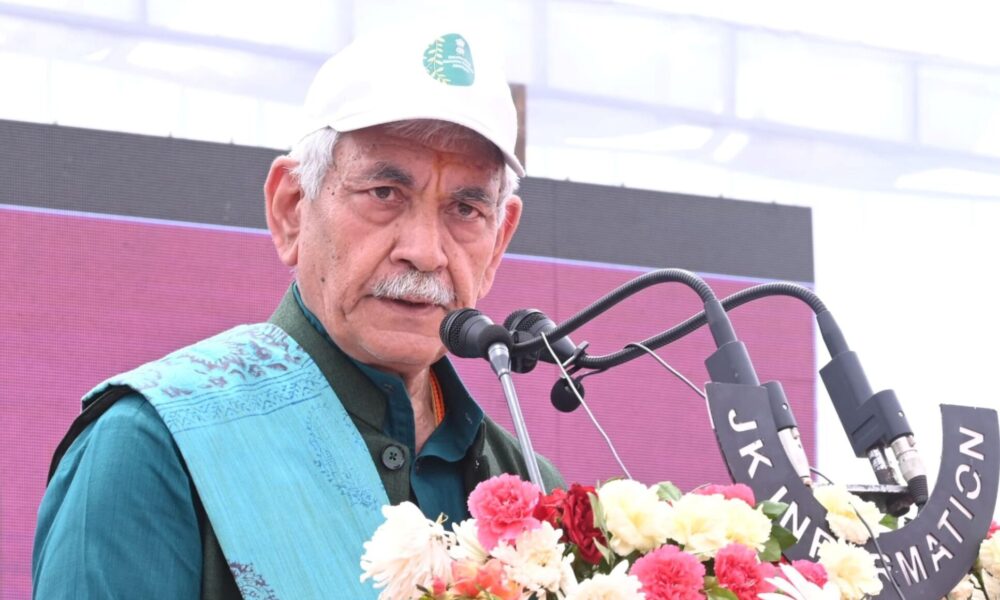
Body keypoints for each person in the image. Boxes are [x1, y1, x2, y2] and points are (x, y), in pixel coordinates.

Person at [33, 25, 563, 599]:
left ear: (498, 243)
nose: (426, 251)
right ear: (291, 209)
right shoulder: (153, 447)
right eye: (384, 193)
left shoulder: (534, 494)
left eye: (465, 209)